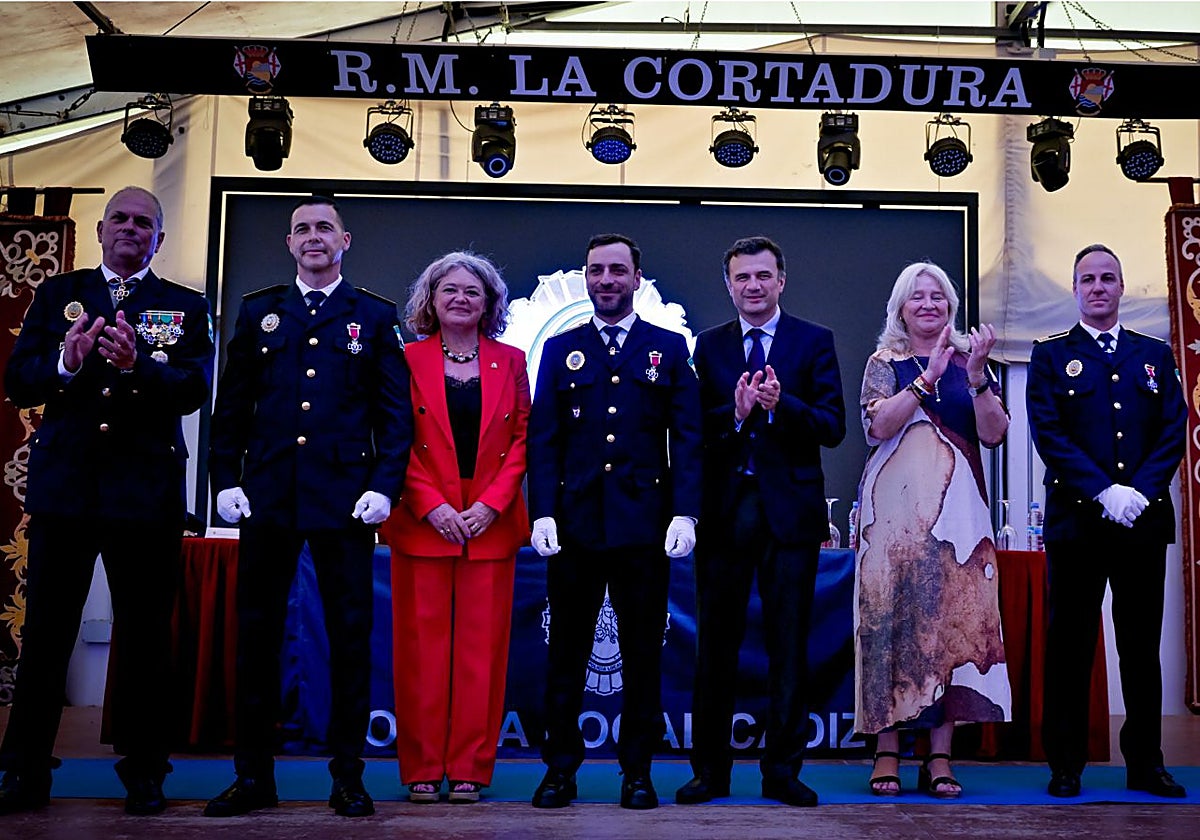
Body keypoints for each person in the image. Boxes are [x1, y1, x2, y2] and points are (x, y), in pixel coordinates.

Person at [0, 187, 214, 816]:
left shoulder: (182, 305)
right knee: (46, 633)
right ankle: (24, 770)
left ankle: (146, 771)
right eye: (119, 218)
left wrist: (140, 364)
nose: (130, 228)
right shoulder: (57, 295)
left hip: (143, 495)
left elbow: (192, 389)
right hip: (67, 491)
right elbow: (18, 380)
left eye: (143, 222)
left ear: (160, 238)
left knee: (147, 638)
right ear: (100, 229)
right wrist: (64, 367)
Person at [204, 195, 413, 818]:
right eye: (302, 229)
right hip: (268, 496)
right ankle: (252, 777)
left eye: (324, 227)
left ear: (344, 241)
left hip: (346, 503)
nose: (313, 237)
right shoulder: (259, 310)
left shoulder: (373, 316)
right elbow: (232, 407)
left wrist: (385, 484)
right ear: (288, 243)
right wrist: (224, 477)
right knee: (256, 639)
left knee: (352, 639)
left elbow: (394, 415)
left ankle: (348, 777)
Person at [527, 233, 701, 810]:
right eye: (596, 270)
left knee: (644, 655)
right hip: (574, 526)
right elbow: (544, 437)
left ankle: (637, 772)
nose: (606, 280)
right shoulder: (561, 347)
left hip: (644, 527)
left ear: (636, 277)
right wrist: (542, 510)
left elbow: (689, 438)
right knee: (566, 654)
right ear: (585, 277)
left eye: (617, 270)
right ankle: (559, 771)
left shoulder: (668, 347)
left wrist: (685, 511)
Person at [677, 236, 845, 809]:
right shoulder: (709, 346)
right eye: (742, 277)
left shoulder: (813, 341)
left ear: (781, 281)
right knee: (715, 649)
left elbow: (833, 426)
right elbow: (695, 429)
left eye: (763, 276)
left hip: (790, 519)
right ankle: (710, 773)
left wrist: (782, 406)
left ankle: (782, 773)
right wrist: (740, 411)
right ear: (729, 285)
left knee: (788, 647)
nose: (753, 285)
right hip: (724, 518)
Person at [1027, 244, 1187, 799]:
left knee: (1140, 649)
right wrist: (1103, 491)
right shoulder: (1050, 356)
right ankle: (1065, 764)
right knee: (1070, 646)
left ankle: (1146, 764)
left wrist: (1138, 491)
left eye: (1108, 278)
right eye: (1088, 279)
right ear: (1074, 289)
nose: (1098, 287)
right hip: (1077, 524)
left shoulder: (1153, 354)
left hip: (1140, 522)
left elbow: (1174, 426)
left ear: (1122, 288)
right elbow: (1049, 433)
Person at [853, 261, 1010, 798]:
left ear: (951, 306)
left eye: (938, 296)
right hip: (893, 520)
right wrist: (927, 379)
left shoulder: (972, 362)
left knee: (951, 633)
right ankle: (887, 751)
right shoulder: (884, 362)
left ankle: (940, 756)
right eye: (916, 296)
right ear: (900, 307)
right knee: (889, 629)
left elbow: (994, 435)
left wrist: (977, 378)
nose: (928, 304)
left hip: (960, 519)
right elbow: (877, 427)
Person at [379, 252, 529, 804]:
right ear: (430, 300)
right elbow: (391, 437)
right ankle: (420, 768)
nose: (461, 298)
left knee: (480, 658)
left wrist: (490, 504)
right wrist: (430, 504)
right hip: (423, 522)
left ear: (489, 303)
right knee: (420, 655)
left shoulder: (511, 360)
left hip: (488, 524)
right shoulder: (405, 358)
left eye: (473, 291)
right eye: (450, 290)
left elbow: (522, 441)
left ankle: (469, 768)